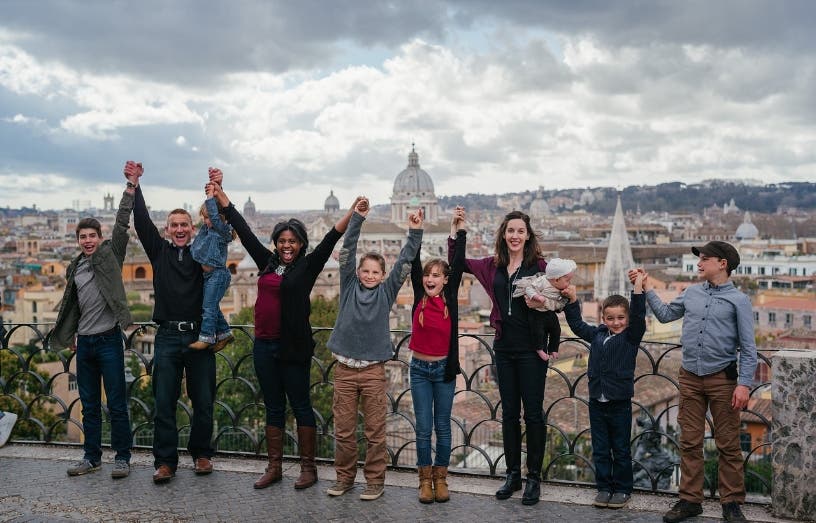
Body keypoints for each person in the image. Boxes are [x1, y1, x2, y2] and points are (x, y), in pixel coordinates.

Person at [209, 172, 361, 491]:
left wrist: (353, 211)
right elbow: (244, 230)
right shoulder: (266, 262)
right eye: (282, 241)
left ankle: (308, 469)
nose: (287, 245)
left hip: (294, 347)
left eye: (292, 241)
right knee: (273, 406)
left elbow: (331, 237)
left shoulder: (308, 266)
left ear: (300, 244)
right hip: (263, 345)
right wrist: (223, 198)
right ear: (276, 243)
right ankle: (274, 467)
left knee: (301, 405)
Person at [629, 240, 756, 523]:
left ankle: (732, 503)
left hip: (723, 380)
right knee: (689, 442)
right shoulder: (691, 293)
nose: (699, 263)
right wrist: (646, 286)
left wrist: (744, 384)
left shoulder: (739, 300)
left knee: (728, 444)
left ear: (722, 264)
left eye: (705, 259)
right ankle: (689, 501)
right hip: (689, 378)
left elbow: (749, 348)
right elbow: (664, 315)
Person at [449, 209, 550, 506]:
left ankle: (534, 478)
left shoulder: (540, 267)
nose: (515, 235)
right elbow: (457, 265)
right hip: (504, 347)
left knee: (533, 414)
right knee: (508, 413)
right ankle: (513, 474)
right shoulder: (491, 266)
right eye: (510, 231)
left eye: (520, 231)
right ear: (503, 235)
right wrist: (458, 233)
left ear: (527, 235)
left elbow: (563, 294)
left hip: (533, 349)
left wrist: (557, 300)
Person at [325, 200, 423, 502]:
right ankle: (344, 478)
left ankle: (374, 482)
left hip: (372, 372)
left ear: (382, 275)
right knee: (342, 431)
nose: (369, 275)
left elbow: (405, 262)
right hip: (343, 371)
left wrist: (415, 231)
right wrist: (357, 218)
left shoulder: (387, 291)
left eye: (374, 272)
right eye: (364, 271)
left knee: (375, 432)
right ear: (357, 272)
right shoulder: (349, 284)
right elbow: (347, 249)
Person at [129, 162, 215, 484]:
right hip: (166, 336)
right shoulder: (159, 252)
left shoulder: (201, 254)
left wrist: (214, 192)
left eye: (184, 225)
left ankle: (202, 454)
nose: (179, 229)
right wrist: (135, 185)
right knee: (164, 401)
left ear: (192, 229)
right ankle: (166, 462)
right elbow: (141, 223)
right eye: (174, 225)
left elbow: (219, 227)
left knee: (204, 400)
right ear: (167, 230)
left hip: (198, 335)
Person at [50, 162, 136, 479]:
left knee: (116, 404)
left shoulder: (111, 255)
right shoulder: (75, 267)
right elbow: (72, 307)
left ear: (100, 238)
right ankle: (92, 458)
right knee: (89, 406)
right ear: (78, 240)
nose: (88, 240)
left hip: (109, 341)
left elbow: (122, 225)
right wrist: (70, 334)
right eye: (83, 237)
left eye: (92, 236)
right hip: (84, 344)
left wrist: (130, 188)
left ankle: (123, 458)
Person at [562, 272, 646, 510]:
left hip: (619, 402)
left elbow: (639, 316)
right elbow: (577, 326)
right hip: (596, 402)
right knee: (600, 448)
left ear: (627, 319)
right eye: (610, 318)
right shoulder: (598, 334)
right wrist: (572, 300)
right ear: (603, 317)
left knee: (620, 448)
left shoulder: (631, 336)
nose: (616, 322)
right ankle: (604, 488)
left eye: (621, 317)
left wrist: (638, 288)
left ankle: (622, 489)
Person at [408, 205, 466, 504]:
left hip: (444, 371)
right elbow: (414, 264)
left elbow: (457, 260)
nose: (431, 278)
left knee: (443, 427)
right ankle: (424, 481)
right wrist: (416, 230)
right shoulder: (419, 294)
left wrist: (457, 230)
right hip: (418, 369)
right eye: (428, 275)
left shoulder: (451, 300)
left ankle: (441, 479)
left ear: (446, 280)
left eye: (437, 275)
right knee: (423, 428)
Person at [189, 176, 236, 352]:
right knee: (211, 305)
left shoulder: (222, 231)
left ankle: (207, 337)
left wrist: (211, 198)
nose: (207, 221)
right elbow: (213, 216)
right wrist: (215, 190)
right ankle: (224, 333)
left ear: (220, 218)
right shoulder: (207, 230)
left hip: (218, 275)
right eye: (204, 218)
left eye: (208, 218)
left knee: (208, 307)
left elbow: (216, 217)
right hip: (209, 276)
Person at [512, 257, 577, 361]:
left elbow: (561, 303)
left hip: (549, 312)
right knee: (538, 332)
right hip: (536, 314)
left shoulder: (561, 287)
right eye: (567, 280)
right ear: (556, 279)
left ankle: (553, 349)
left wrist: (566, 294)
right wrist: (537, 297)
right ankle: (539, 349)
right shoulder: (542, 281)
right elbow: (529, 288)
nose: (569, 283)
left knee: (556, 330)